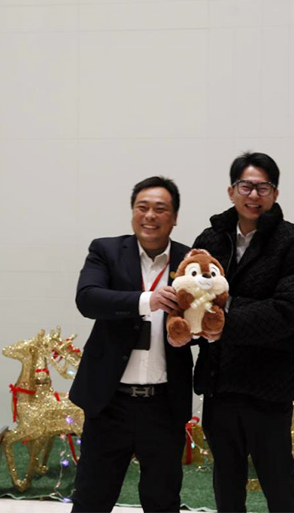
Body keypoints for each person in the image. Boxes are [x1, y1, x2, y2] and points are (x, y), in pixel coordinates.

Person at [192, 152, 294, 512]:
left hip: (269, 386)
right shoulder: (211, 239)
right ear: (231, 191)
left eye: (263, 188)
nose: (254, 195)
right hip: (220, 384)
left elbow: (290, 311)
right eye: (246, 186)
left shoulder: (293, 243)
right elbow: (193, 299)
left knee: (278, 482)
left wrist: (226, 314)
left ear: (275, 194)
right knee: (226, 483)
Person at [68, 176, 192, 513]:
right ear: (133, 212)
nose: (150, 215)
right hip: (110, 402)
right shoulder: (106, 251)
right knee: (92, 498)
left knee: (163, 500)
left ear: (174, 217)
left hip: (164, 404)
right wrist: (147, 300)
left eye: (160, 209)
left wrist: (200, 332)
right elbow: (88, 299)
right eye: (142, 207)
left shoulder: (188, 260)